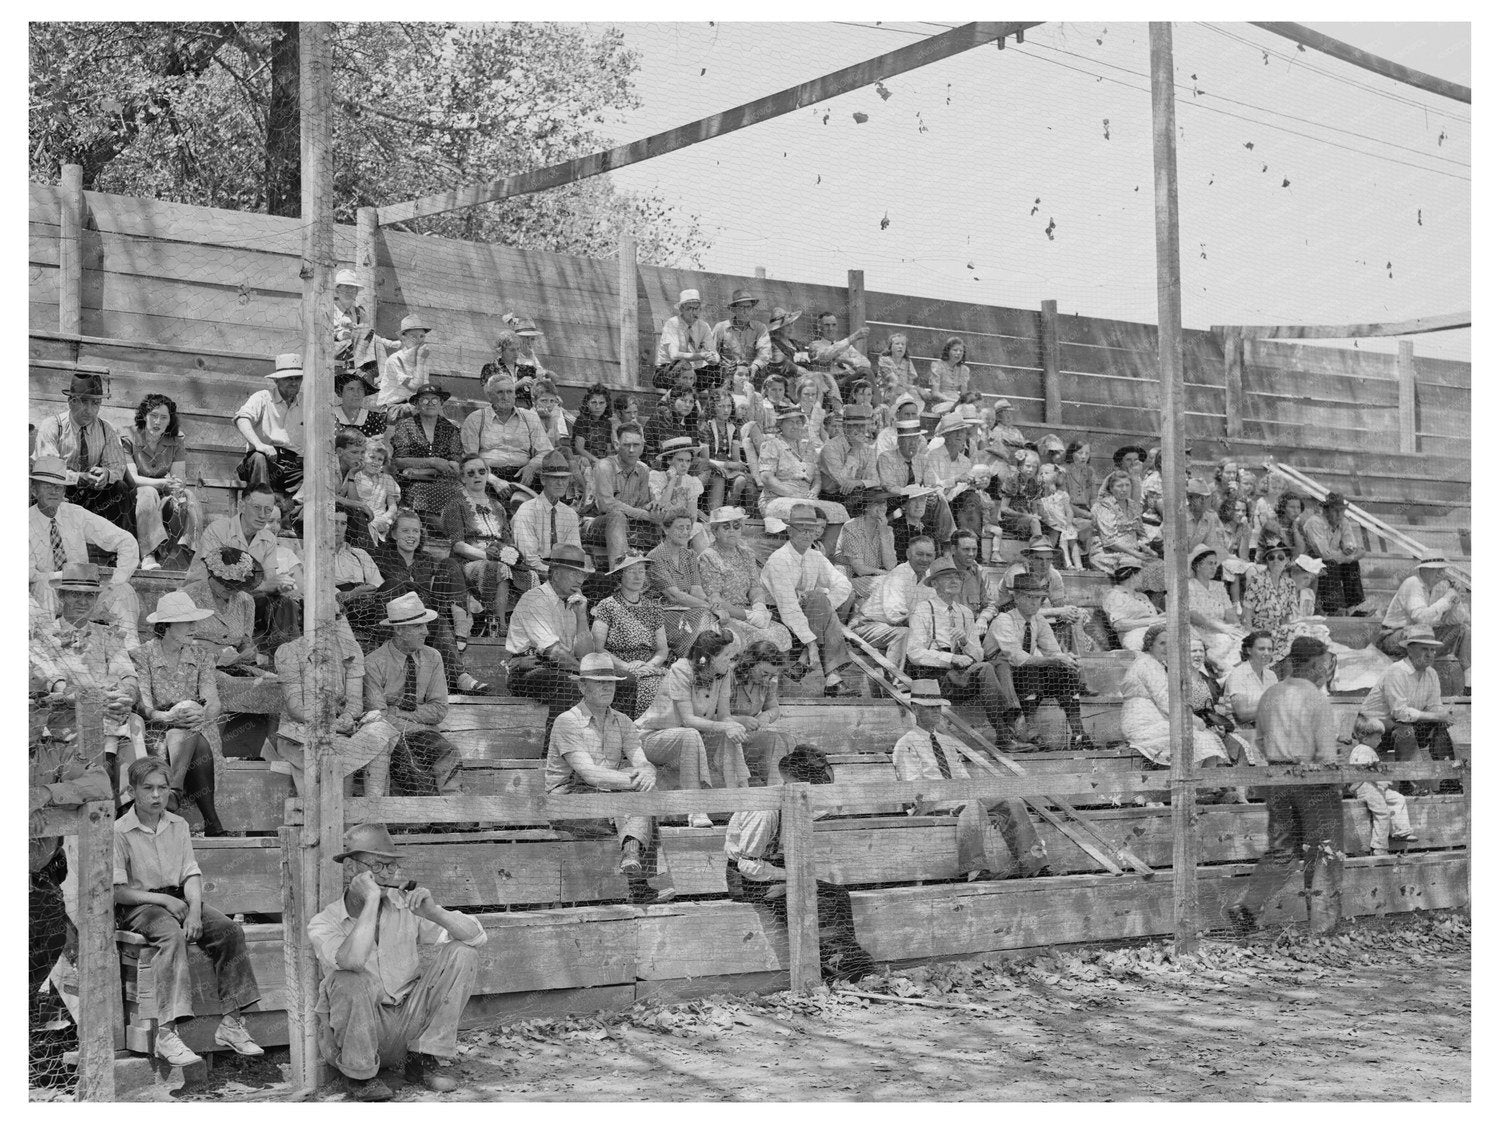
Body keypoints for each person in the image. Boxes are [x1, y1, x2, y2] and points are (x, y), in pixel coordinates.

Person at [309, 823, 486, 1100]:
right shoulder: (324, 922)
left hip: (411, 1022)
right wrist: (370, 902)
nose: (387, 875)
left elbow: (475, 937)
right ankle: (359, 1078)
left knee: (463, 953)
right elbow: (353, 961)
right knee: (348, 978)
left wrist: (434, 911)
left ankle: (423, 1059)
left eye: (391, 868)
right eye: (377, 866)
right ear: (351, 869)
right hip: (365, 1034)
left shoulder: (404, 905)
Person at [114, 756, 262, 1067]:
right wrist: (165, 902)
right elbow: (118, 891)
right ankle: (167, 1035)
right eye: (148, 788)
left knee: (229, 930)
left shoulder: (178, 824)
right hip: (140, 906)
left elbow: (190, 873)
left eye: (163, 788)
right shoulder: (120, 831)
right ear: (132, 791)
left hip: (180, 900)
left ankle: (231, 1025)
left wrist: (194, 911)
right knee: (171, 935)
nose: (157, 796)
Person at [723, 744, 877, 982]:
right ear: (799, 784)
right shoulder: (766, 812)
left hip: (780, 869)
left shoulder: (798, 801)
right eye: (819, 787)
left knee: (837, 895)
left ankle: (846, 959)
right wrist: (792, 878)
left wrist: (793, 876)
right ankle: (829, 967)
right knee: (810, 898)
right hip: (749, 877)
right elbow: (747, 864)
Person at [1227, 637, 1344, 936]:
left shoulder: (1270, 694)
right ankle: (1323, 929)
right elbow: (1327, 755)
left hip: (1278, 778)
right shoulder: (1317, 698)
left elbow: (1262, 742)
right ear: (1317, 664)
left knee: (1282, 850)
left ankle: (1248, 908)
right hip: (1314, 780)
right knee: (1324, 853)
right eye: (1324, 664)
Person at [546, 654, 676, 905]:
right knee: (639, 797)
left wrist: (648, 771)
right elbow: (589, 774)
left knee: (640, 791)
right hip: (568, 800)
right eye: (599, 682)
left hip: (608, 797)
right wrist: (636, 780)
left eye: (612, 682)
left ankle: (631, 857)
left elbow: (641, 760)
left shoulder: (623, 721)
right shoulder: (567, 722)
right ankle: (639, 877)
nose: (608, 687)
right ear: (582, 686)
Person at [892, 681, 1049, 879]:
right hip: (931, 804)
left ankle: (1035, 866)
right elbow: (916, 792)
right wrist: (956, 795)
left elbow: (962, 777)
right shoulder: (906, 744)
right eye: (929, 707)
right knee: (973, 805)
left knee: (1012, 801)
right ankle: (975, 870)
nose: (935, 712)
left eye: (937, 707)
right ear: (915, 709)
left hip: (959, 798)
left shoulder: (946, 742)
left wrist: (967, 793)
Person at [29, 690, 112, 1056]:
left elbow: (100, 784)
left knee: (51, 939)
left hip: (39, 872)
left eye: (38, 709)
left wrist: (48, 792)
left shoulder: (54, 753)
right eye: (27, 708)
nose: (34, 717)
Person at [30, 562, 141, 787]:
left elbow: (128, 676)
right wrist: (96, 698)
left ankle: (128, 804)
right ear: (62, 596)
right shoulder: (42, 637)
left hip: (111, 711)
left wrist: (125, 696)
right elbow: (55, 685)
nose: (83, 602)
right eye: (75, 595)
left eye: (89, 596)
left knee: (134, 722)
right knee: (114, 730)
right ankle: (106, 795)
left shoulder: (107, 634)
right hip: (66, 718)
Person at [637, 629, 781, 799]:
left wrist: (733, 726)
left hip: (695, 736)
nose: (731, 661)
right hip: (654, 737)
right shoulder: (680, 670)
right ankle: (695, 808)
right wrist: (726, 726)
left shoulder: (724, 673)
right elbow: (688, 720)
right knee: (691, 735)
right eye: (726, 656)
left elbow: (724, 717)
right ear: (709, 657)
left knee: (731, 733)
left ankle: (738, 797)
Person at [906, 557, 1028, 750]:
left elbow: (978, 655)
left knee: (992, 664)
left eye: (957, 577)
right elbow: (914, 653)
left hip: (960, 676)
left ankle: (1009, 725)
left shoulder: (965, 612)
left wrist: (965, 642)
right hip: (933, 678)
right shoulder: (923, 609)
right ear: (935, 583)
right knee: (986, 667)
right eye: (947, 577)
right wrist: (952, 657)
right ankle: (1007, 731)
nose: (954, 581)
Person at [129, 592, 225, 835]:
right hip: (157, 725)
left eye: (194, 621)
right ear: (167, 626)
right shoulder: (141, 655)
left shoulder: (202, 656)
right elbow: (143, 704)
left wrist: (202, 714)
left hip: (194, 723)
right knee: (192, 738)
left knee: (191, 728)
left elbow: (212, 700)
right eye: (187, 621)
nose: (194, 627)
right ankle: (210, 820)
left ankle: (175, 793)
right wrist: (167, 717)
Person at [271, 608, 395, 797]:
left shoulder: (351, 650)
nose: (331, 623)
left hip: (341, 728)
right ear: (305, 620)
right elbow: (296, 708)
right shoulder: (290, 651)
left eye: (337, 617)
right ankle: (339, 818)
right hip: (301, 730)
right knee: (336, 749)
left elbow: (354, 701)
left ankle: (373, 814)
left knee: (380, 731)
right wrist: (332, 724)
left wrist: (347, 716)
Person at [508, 544, 631, 731]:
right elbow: (554, 653)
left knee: (626, 680)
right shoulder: (535, 599)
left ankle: (612, 742)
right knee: (569, 684)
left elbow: (586, 655)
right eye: (574, 573)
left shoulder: (575, 601)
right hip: (527, 670)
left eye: (582, 574)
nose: (580, 579)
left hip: (564, 668)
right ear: (556, 573)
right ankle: (555, 753)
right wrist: (589, 674)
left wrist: (582, 616)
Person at [366, 511, 486, 695]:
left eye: (415, 531)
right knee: (398, 588)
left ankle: (461, 634)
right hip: (398, 617)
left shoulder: (426, 559)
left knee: (450, 564)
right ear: (393, 534)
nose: (411, 536)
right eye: (405, 531)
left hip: (426, 609)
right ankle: (459, 676)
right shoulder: (380, 557)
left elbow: (443, 586)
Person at [359, 593, 464, 797]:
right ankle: (425, 820)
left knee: (447, 751)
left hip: (423, 732)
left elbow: (440, 709)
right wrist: (416, 720)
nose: (425, 631)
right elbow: (377, 717)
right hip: (390, 734)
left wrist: (398, 712)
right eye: (418, 626)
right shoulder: (373, 663)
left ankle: (455, 814)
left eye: (424, 625)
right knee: (410, 762)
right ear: (398, 629)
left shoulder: (433, 657)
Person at [29, 455, 141, 638]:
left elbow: (126, 541)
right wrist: (62, 576)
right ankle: (49, 650)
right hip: (49, 596)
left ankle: (128, 654)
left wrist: (116, 582)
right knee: (44, 586)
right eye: (47, 485)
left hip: (83, 594)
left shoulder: (75, 514)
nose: (54, 491)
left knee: (124, 591)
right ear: (34, 490)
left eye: (59, 486)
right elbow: (28, 574)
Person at [986, 575, 1094, 750]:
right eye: (1030, 597)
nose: (1035, 603)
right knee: (1033, 668)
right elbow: (1016, 658)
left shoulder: (1039, 620)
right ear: (1017, 597)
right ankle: (1031, 730)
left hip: (1023, 674)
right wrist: (1054, 659)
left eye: (1039, 598)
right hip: (1000, 675)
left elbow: (1053, 651)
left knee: (1065, 670)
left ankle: (1078, 734)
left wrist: (1066, 659)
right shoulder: (1004, 619)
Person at [189, 484, 299, 650]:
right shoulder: (218, 530)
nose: (262, 515)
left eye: (268, 510)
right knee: (244, 599)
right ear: (241, 506)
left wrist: (280, 585)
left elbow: (269, 581)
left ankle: (284, 657)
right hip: (207, 593)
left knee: (284, 603)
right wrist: (266, 585)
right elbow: (217, 579)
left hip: (243, 596)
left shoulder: (268, 538)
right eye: (256, 508)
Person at [761, 503, 854, 695]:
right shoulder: (779, 560)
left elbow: (844, 584)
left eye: (811, 530)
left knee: (819, 598)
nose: (807, 535)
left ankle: (819, 672)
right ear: (789, 531)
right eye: (802, 529)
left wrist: (825, 604)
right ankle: (831, 676)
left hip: (809, 618)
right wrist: (810, 645)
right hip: (777, 616)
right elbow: (788, 609)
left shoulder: (815, 557)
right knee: (817, 598)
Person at [1356, 626, 1455, 798]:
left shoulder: (1431, 673)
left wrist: (1443, 715)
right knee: (1405, 729)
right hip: (1371, 726)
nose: (1430, 654)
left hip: (1402, 725)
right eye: (1424, 649)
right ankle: (1411, 784)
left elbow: (1434, 706)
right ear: (1409, 649)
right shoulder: (1397, 671)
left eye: (1432, 649)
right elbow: (1399, 713)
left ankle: (1450, 781)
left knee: (1439, 728)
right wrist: (1436, 715)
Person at [34, 370, 137, 534]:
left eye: (95, 403)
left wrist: (106, 474)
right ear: (70, 401)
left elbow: (118, 467)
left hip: (93, 496)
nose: (89, 409)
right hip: (61, 492)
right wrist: (80, 478)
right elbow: (48, 471)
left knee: (120, 488)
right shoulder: (53, 426)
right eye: (83, 401)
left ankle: (119, 551)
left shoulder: (106, 429)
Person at [1119, 624, 1230, 769]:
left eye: (1170, 644)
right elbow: (1165, 701)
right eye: (1162, 643)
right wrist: (1192, 720)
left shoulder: (1157, 664)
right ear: (1150, 645)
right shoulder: (1146, 664)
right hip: (1142, 724)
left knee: (1204, 736)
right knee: (1193, 737)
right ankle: (1190, 785)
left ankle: (1207, 786)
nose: (1166, 648)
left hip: (1156, 720)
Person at [123, 393, 202, 570]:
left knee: (189, 496)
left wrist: (176, 487)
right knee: (148, 492)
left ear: (169, 420)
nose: (157, 422)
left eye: (164, 417)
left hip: (164, 495)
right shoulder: (129, 436)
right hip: (136, 495)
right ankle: (148, 555)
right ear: (144, 416)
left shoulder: (176, 439)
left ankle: (193, 553)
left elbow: (178, 478)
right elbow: (132, 479)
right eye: (153, 416)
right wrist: (161, 483)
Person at [698, 506, 793, 653]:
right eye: (726, 527)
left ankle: (774, 675)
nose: (732, 530)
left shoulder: (746, 553)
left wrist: (759, 607)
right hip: (724, 616)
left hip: (748, 611)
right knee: (763, 637)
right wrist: (748, 616)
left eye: (736, 526)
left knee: (782, 632)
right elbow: (715, 599)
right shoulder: (708, 556)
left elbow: (755, 587)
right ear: (715, 531)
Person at [441, 455, 515, 640]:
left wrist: (509, 553)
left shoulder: (498, 506)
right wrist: (485, 555)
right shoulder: (455, 505)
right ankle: (500, 625)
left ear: (488, 473)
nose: (477, 476)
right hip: (468, 561)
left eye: (482, 471)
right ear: (463, 478)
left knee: (529, 575)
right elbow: (458, 546)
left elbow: (508, 540)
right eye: (471, 473)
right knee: (498, 569)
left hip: (497, 557)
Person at [757, 405, 849, 554]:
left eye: (798, 422)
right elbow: (766, 478)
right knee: (805, 511)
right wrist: (791, 494)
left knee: (839, 510)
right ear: (780, 424)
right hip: (776, 498)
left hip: (806, 498)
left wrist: (814, 490)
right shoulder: (772, 444)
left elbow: (817, 477)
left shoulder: (809, 447)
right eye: (790, 422)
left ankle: (823, 557)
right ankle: (802, 556)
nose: (795, 426)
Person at [591, 554, 671, 718]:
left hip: (648, 667)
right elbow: (597, 648)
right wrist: (626, 666)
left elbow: (662, 651)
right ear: (620, 576)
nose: (637, 576)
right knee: (649, 687)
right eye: (631, 571)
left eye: (641, 571)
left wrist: (648, 665)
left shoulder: (653, 608)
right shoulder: (607, 605)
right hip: (620, 669)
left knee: (673, 686)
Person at [1378, 555, 1469, 691]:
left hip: (1421, 636)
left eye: (1443, 569)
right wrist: (1447, 599)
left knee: (1464, 630)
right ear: (1424, 570)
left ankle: (1470, 686)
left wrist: (1454, 598)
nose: (1441, 573)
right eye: (1436, 569)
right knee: (1421, 631)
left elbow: (1457, 620)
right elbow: (1421, 618)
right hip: (1392, 638)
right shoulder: (1412, 583)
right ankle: (1417, 689)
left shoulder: (1439, 588)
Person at [848, 533, 937, 672]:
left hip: (894, 628)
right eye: (919, 554)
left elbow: (932, 611)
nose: (924, 559)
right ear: (908, 554)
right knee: (904, 633)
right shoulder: (899, 574)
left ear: (934, 556)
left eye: (929, 555)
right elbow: (895, 616)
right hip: (866, 626)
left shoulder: (930, 577)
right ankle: (897, 686)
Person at [584, 422, 662, 571]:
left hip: (628, 524)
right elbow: (606, 506)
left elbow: (642, 504)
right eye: (626, 445)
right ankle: (621, 573)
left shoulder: (643, 470)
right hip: (593, 523)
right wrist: (644, 514)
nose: (632, 450)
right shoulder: (604, 466)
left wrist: (652, 508)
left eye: (636, 445)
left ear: (643, 446)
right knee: (616, 516)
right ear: (616, 445)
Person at [386, 382, 463, 530]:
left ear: (441, 403)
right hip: (411, 484)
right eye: (424, 400)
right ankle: (450, 532)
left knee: (460, 496)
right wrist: (433, 462)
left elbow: (454, 467)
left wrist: (421, 470)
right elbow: (398, 462)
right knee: (421, 494)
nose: (430, 404)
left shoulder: (451, 429)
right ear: (417, 404)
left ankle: (452, 531)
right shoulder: (405, 425)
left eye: (434, 400)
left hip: (444, 482)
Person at [461, 372, 552, 494]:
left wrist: (533, 465)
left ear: (515, 395)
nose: (505, 397)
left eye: (510, 392)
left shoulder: (530, 417)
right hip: (487, 475)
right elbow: (470, 459)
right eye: (500, 392)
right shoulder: (475, 419)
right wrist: (494, 480)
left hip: (524, 473)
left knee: (551, 481)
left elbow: (546, 451)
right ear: (489, 396)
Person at [183, 546, 268, 675]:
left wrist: (251, 654)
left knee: (271, 682)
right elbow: (174, 640)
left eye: (238, 586)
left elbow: (245, 643)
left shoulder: (246, 601)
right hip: (195, 666)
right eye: (226, 585)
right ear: (212, 576)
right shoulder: (188, 595)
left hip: (233, 666)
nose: (233, 590)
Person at [648, 508, 718, 655]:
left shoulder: (689, 555)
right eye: (680, 527)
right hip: (662, 614)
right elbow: (675, 596)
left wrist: (711, 603)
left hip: (689, 610)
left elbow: (696, 590)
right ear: (666, 530)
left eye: (688, 528)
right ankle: (688, 661)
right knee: (705, 621)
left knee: (714, 621)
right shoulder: (656, 556)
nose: (686, 532)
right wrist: (708, 607)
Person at [234, 354, 305, 498]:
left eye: (297, 378)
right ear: (276, 380)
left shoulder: (307, 402)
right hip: (266, 460)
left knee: (315, 477)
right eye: (288, 378)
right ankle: (261, 503)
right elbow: (242, 418)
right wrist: (259, 444)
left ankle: (293, 512)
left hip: (294, 467)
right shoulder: (263, 397)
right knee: (258, 459)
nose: (294, 382)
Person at [729, 642, 795, 786]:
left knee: (788, 740)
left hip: (748, 737)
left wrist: (766, 716)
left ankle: (786, 791)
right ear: (750, 663)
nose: (767, 680)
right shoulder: (729, 677)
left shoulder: (768, 681)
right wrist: (740, 720)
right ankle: (775, 793)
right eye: (764, 674)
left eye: (771, 676)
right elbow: (708, 717)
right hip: (727, 739)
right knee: (772, 740)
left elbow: (774, 709)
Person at [512, 451, 582, 583]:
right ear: (543, 479)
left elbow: (574, 554)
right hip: (533, 573)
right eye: (555, 478)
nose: (560, 483)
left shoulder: (570, 514)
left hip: (563, 575)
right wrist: (560, 577)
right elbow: (529, 560)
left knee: (600, 579)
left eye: (564, 478)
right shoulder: (527, 510)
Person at [921, 412, 987, 540]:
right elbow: (932, 487)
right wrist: (955, 480)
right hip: (936, 502)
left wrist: (972, 484)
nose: (959, 435)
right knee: (940, 499)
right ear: (945, 435)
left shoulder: (965, 461)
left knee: (973, 497)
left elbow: (962, 490)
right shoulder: (932, 456)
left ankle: (971, 545)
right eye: (955, 431)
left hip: (956, 503)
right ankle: (951, 541)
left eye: (962, 431)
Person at [1346, 742, 1417, 856]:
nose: (1380, 740)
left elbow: (1376, 770)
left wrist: (1381, 781)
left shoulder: (1370, 749)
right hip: (1363, 787)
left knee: (1398, 798)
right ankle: (1379, 847)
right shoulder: (1362, 750)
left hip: (1374, 786)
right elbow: (1365, 772)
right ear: (1366, 737)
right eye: (1377, 737)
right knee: (1382, 812)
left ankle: (1401, 830)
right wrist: (1380, 781)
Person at [1303, 491, 1366, 613]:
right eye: (1335, 510)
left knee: (1351, 565)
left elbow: (1352, 546)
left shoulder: (1344, 522)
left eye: (1342, 510)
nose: (1339, 514)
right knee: (1332, 563)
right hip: (1310, 562)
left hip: (1331, 561)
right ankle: (1332, 608)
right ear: (1326, 511)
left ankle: (1351, 608)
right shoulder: (1315, 522)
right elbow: (1324, 554)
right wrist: (1349, 555)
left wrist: (1350, 550)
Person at [1187, 545, 1246, 672]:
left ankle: (1232, 673)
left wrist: (1235, 627)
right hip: (1202, 630)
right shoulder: (1189, 586)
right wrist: (1222, 628)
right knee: (1225, 640)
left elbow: (1230, 613)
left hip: (1223, 628)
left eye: (1215, 563)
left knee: (1245, 639)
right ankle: (1223, 670)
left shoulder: (1218, 587)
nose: (1214, 567)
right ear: (1198, 566)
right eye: (1210, 563)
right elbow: (1193, 615)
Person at [834, 485, 899, 600]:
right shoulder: (851, 527)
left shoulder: (888, 530)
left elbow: (890, 565)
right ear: (866, 507)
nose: (882, 507)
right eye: (877, 503)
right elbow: (859, 569)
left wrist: (883, 533)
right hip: (849, 580)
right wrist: (885, 573)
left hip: (875, 579)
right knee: (889, 583)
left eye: (884, 503)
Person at [654, 289, 722, 392]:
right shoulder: (673, 323)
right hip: (669, 371)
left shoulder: (704, 326)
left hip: (692, 373)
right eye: (689, 308)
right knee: (680, 364)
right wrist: (701, 356)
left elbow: (713, 352)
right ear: (681, 309)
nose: (693, 313)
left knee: (717, 369)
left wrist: (713, 359)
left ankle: (716, 399)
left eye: (696, 309)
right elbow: (674, 355)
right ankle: (685, 391)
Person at [699, 390, 754, 513]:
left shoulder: (733, 428)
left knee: (741, 480)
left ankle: (728, 511)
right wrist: (728, 465)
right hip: (711, 467)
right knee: (720, 477)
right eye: (721, 406)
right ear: (713, 407)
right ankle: (715, 512)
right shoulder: (705, 427)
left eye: (729, 406)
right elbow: (705, 459)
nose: (726, 410)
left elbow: (735, 458)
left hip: (728, 468)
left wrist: (736, 464)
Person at [818, 403, 880, 503]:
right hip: (833, 496)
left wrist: (859, 482)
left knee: (881, 495)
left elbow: (876, 480)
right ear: (845, 427)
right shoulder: (830, 447)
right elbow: (842, 482)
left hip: (857, 493)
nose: (860, 429)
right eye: (855, 425)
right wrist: (855, 450)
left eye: (863, 425)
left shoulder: (868, 448)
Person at [343, 440, 402, 546]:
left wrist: (384, 519)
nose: (375, 462)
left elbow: (393, 507)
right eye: (372, 457)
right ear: (363, 457)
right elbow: (352, 501)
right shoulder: (356, 475)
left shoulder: (387, 479)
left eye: (380, 459)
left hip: (381, 521)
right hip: (358, 520)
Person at [712, 289, 771, 390]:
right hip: (725, 380)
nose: (745, 311)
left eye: (748, 307)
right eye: (741, 307)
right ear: (734, 309)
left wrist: (754, 367)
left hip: (751, 379)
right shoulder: (721, 328)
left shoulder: (760, 328)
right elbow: (712, 353)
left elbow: (765, 353)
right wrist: (723, 367)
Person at [377, 314, 434, 418]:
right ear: (403, 337)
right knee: (422, 407)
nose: (419, 340)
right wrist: (420, 361)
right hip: (391, 409)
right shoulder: (395, 359)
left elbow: (424, 389)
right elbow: (414, 387)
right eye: (414, 336)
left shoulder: (422, 358)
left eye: (422, 336)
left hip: (412, 406)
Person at [1222, 630, 1279, 730]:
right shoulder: (1238, 674)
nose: (1267, 653)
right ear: (1249, 650)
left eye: (1270, 649)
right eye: (1261, 649)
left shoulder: (1271, 675)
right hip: (1242, 729)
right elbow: (1242, 714)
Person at [1102, 562, 1164, 651]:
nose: (1144, 579)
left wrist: (1161, 617)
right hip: (1134, 636)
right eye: (1142, 575)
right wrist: (1155, 621)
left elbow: (1151, 618)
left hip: (1155, 631)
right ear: (1133, 575)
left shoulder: (1142, 596)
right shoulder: (1115, 595)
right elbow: (1119, 624)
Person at [1242, 538, 1300, 632]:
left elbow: (1287, 616)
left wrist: (1285, 631)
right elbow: (1247, 611)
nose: (1276, 561)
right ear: (1266, 561)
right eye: (1271, 557)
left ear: (1287, 560)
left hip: (1279, 630)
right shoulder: (1257, 580)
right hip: (1259, 630)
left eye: (1280, 557)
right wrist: (1250, 632)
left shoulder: (1290, 584)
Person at [649, 436, 706, 525]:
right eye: (680, 460)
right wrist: (672, 481)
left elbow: (692, 516)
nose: (685, 465)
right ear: (669, 460)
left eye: (688, 461)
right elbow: (660, 508)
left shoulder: (692, 482)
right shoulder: (656, 477)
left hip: (684, 526)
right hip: (661, 524)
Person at [1037, 463, 1082, 568]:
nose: (1043, 475)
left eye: (1047, 473)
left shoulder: (1062, 495)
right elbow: (1040, 511)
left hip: (1064, 524)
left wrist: (1069, 524)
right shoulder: (1039, 494)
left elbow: (1069, 511)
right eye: (1041, 473)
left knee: (1072, 541)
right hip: (1048, 524)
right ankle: (1065, 564)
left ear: (1055, 477)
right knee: (1061, 539)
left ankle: (1078, 565)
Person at [333, 368, 390, 440]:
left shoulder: (373, 418)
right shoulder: (331, 416)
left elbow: (381, 444)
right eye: (350, 389)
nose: (356, 394)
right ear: (340, 393)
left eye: (360, 389)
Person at [926, 337, 970, 414]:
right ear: (948, 351)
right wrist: (952, 400)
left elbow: (964, 395)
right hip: (940, 401)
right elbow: (935, 393)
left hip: (957, 402)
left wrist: (961, 402)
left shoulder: (964, 370)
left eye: (961, 351)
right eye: (955, 350)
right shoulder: (937, 366)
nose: (958, 353)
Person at [876, 334, 920, 404]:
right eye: (897, 344)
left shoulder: (907, 362)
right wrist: (915, 388)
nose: (900, 346)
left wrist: (912, 389)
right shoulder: (884, 361)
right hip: (888, 392)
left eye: (903, 344)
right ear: (890, 347)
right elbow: (894, 381)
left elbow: (910, 382)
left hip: (903, 392)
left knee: (914, 394)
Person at [1275, 491, 1311, 559]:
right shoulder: (1274, 524)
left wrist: (1295, 529)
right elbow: (1287, 551)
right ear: (1283, 508)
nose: (1296, 511)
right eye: (1292, 507)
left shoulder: (1299, 524)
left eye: (1298, 507)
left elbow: (1301, 550)